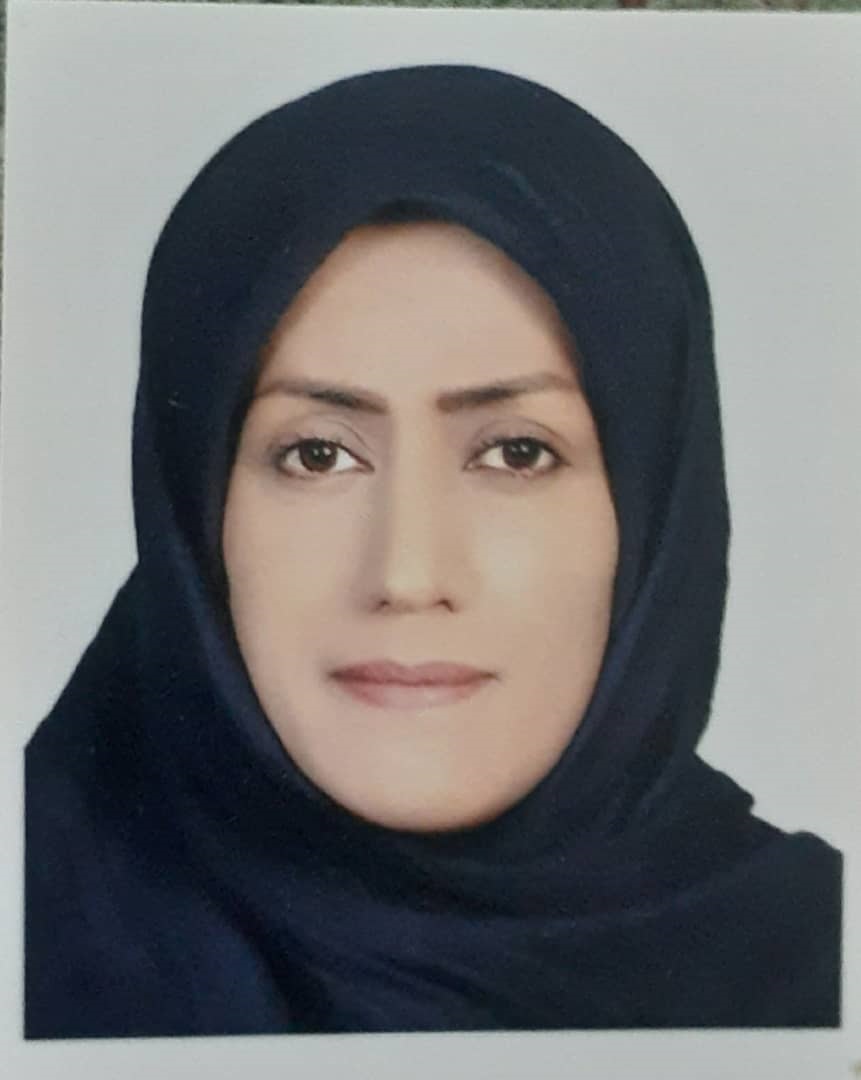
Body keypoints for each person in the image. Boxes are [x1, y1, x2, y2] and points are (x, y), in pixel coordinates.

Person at [24, 64, 841, 1039]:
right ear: (195, 509)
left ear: (655, 504)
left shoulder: (819, 965)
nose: (407, 574)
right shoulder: (29, 933)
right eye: (318, 454)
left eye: (516, 452)